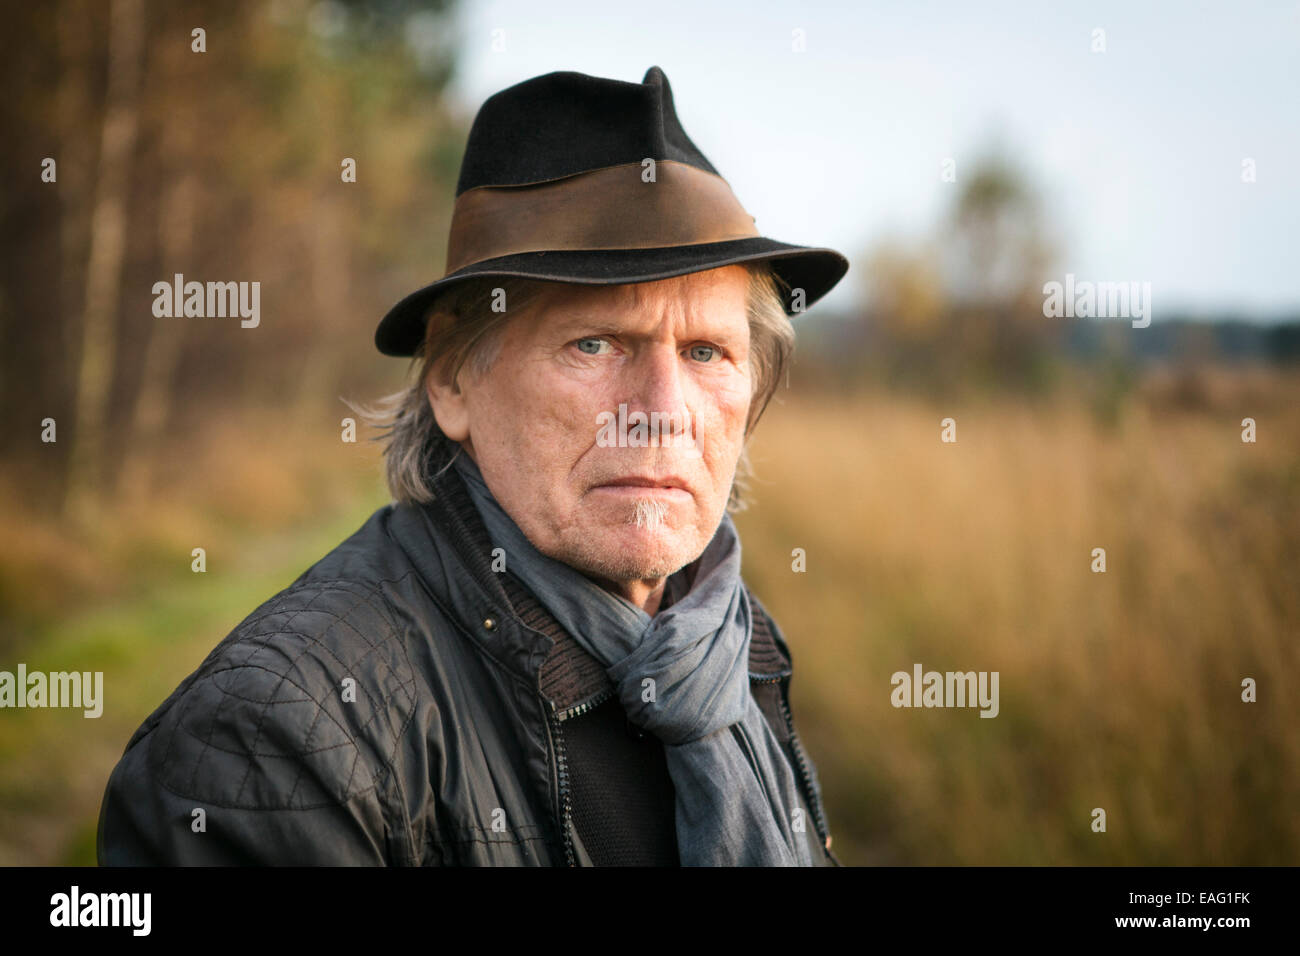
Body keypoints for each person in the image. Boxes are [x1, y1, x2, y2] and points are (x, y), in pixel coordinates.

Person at [97, 64, 849, 866]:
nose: (662, 407)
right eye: (595, 343)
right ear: (454, 378)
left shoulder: (728, 640)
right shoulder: (278, 738)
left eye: (707, 351)